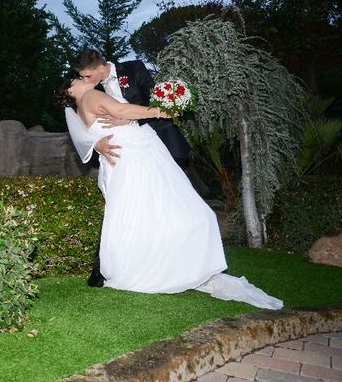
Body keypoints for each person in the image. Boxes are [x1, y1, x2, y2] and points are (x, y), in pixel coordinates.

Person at [57, 78, 283, 308]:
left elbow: (96, 133)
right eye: (76, 79)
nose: (82, 79)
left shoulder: (78, 112)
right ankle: (175, 266)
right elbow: (121, 109)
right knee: (172, 209)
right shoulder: (90, 96)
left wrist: (101, 141)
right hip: (136, 157)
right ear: (69, 90)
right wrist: (159, 111)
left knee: (136, 215)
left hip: (120, 163)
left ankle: (140, 266)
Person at [72, 49, 191, 287]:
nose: (86, 81)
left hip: (157, 144)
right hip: (125, 154)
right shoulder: (91, 92)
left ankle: (174, 260)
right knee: (123, 207)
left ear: (100, 67)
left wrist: (131, 119)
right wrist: (96, 144)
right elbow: (85, 124)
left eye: (87, 76)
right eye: (82, 77)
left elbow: (154, 102)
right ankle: (103, 269)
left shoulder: (134, 68)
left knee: (167, 205)